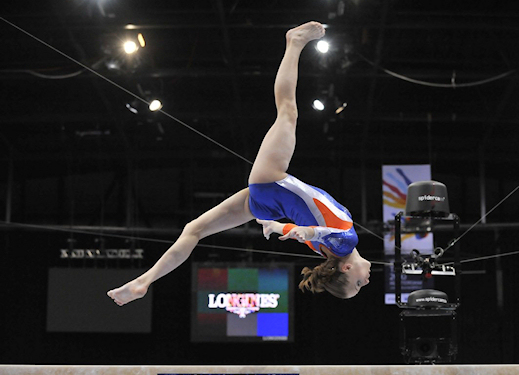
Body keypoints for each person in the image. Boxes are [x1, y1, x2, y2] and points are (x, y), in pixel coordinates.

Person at [107, 21, 371, 305]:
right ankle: (142, 283)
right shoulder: (323, 251)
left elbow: (318, 231)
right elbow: (304, 231)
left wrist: (300, 230)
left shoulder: (344, 244)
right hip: (265, 204)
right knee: (193, 230)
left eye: (358, 282)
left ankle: (294, 42)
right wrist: (274, 227)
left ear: (345, 268)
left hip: (273, 181)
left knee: (287, 112)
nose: (366, 280)